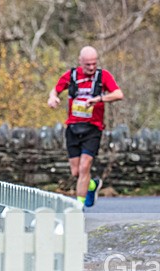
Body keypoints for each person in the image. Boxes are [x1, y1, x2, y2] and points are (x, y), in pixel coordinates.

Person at [47, 46, 123, 208]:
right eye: (88, 64)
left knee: (84, 167)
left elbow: (118, 94)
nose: (91, 67)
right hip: (73, 128)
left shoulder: (103, 76)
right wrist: (53, 98)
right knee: (76, 172)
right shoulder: (71, 76)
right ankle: (92, 185)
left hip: (93, 128)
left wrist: (99, 99)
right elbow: (55, 90)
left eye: (94, 64)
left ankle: (78, 208)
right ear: (80, 61)